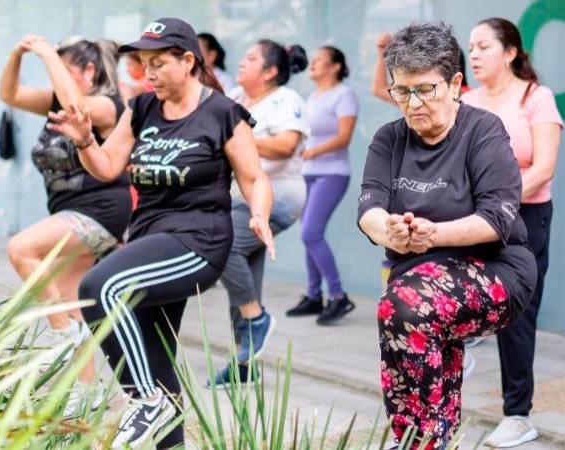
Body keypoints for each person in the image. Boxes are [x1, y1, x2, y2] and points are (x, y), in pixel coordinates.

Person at [51, 17, 274, 448]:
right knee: (156, 353)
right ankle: (166, 426)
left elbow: (254, 178)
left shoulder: (222, 113)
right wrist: (84, 141)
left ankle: (146, 401)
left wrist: (259, 214)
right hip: (150, 239)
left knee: (99, 288)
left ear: (187, 61)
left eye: (157, 63)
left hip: (198, 242)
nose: (147, 73)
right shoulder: (142, 109)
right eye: (143, 63)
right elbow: (107, 167)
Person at [361, 22, 536, 449]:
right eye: (402, 91)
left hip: (497, 270)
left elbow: (496, 219)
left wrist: (432, 234)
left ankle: (422, 439)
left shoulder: (483, 131)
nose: (413, 103)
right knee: (409, 311)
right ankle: (428, 436)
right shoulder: (389, 139)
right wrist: (391, 231)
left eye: (425, 89)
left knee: (405, 306)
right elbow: (369, 210)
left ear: (455, 84)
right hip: (419, 276)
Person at [0, 34, 132, 402]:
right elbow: (9, 94)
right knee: (73, 306)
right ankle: (85, 395)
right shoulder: (56, 103)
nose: (54, 78)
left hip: (100, 209)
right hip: (68, 210)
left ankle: (62, 333)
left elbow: (77, 107)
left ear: (89, 71)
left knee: (21, 249)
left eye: (62, 69)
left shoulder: (106, 106)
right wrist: (17, 52)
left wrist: (47, 54)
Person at [460, 18, 564, 448]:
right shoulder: (465, 100)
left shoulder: (537, 98)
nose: (474, 54)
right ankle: (456, 353)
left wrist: (494, 203)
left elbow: (543, 168)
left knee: (516, 315)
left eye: (484, 46)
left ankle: (518, 415)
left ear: (510, 53)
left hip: (525, 218)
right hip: (470, 219)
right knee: (447, 289)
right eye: (471, 46)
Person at [207, 39, 308, 389]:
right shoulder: (236, 95)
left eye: (251, 58)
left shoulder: (286, 99)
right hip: (239, 198)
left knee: (223, 246)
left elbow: (286, 145)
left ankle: (257, 319)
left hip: (278, 195)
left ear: (270, 72)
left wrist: (238, 139)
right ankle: (244, 363)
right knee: (244, 277)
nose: (241, 62)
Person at [287, 45, 360, 324]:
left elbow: (344, 138)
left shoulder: (344, 94)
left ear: (336, 66)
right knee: (308, 235)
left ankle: (339, 297)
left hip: (332, 173)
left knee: (311, 233)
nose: (313, 63)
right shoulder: (312, 98)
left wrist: (313, 152)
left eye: (320, 60)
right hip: (307, 172)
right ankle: (314, 296)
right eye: (313, 60)